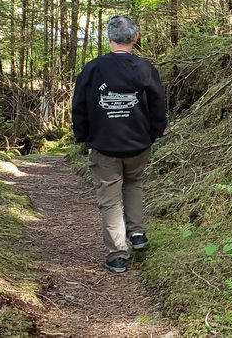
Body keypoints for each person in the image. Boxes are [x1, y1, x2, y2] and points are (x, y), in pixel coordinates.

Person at [71, 15, 167, 274]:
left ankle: (117, 254)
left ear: (109, 38)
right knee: (134, 184)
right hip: (139, 144)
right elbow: (158, 105)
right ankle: (137, 234)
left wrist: (82, 135)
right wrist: (154, 133)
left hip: (105, 145)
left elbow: (78, 104)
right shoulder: (145, 68)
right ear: (135, 38)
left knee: (110, 199)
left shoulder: (93, 68)